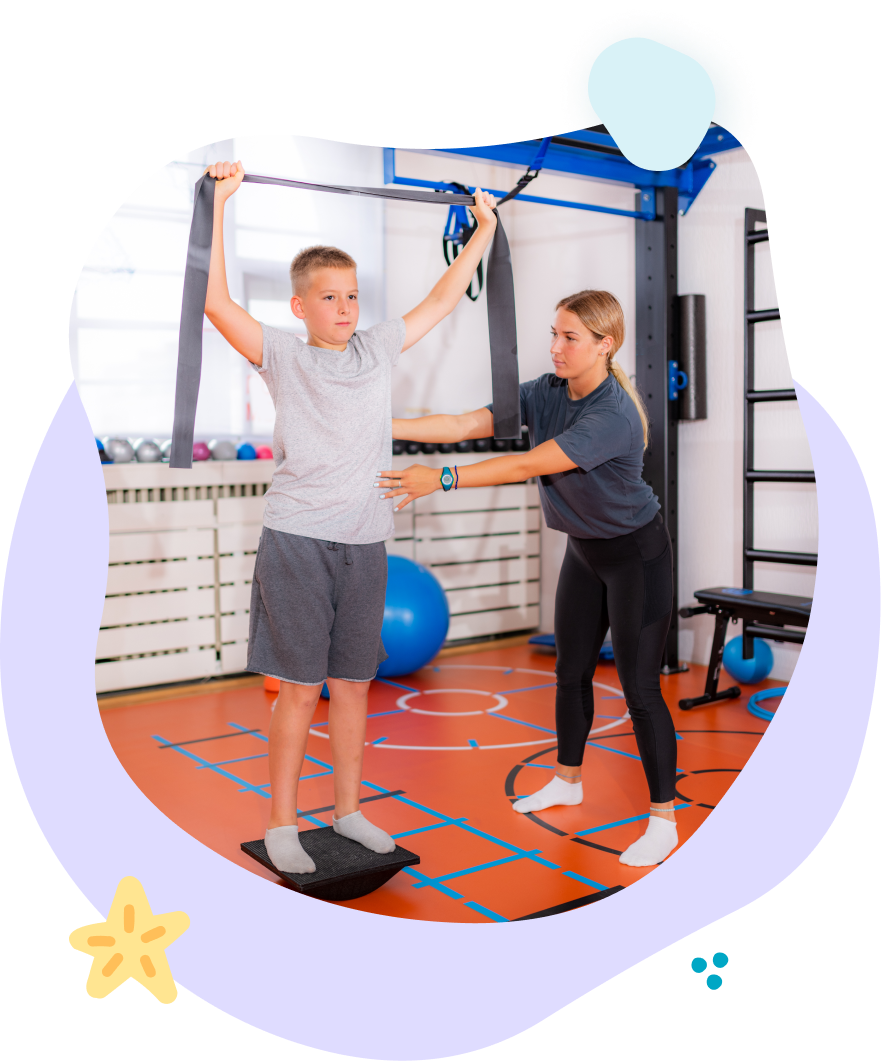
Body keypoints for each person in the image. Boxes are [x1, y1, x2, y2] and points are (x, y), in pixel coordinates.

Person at [203, 160, 499, 873]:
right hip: (299, 540)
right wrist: (217, 206)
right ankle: (281, 821)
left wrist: (482, 231)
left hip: (367, 542)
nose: (345, 307)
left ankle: (347, 810)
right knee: (300, 690)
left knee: (354, 686)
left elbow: (440, 296)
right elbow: (214, 302)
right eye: (330, 297)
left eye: (352, 295)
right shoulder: (282, 353)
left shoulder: (373, 349)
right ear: (301, 306)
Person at [377, 290, 679, 867]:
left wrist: (436, 480)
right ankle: (568, 779)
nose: (556, 347)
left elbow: (523, 464)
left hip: (636, 556)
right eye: (555, 334)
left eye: (570, 337)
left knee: (640, 691)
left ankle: (663, 818)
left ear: (604, 345)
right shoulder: (546, 392)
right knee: (570, 673)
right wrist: (379, 422)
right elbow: (468, 422)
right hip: (586, 554)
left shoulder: (610, 414)